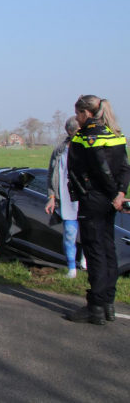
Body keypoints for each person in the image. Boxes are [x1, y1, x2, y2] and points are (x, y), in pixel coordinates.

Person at [65, 95, 130, 325]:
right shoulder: (116, 133)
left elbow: (99, 167)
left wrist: (113, 193)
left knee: (94, 252)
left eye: (78, 113)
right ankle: (107, 304)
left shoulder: (87, 135)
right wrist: (120, 194)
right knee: (108, 247)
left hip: (93, 198)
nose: (76, 118)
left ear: (87, 113)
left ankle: (95, 306)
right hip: (110, 200)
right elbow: (124, 167)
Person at [45, 116, 86, 278]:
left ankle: (86, 262)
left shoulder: (87, 149)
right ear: (70, 131)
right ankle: (71, 269)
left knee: (88, 234)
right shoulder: (59, 151)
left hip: (86, 199)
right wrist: (52, 196)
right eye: (78, 131)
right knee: (69, 234)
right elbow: (51, 175)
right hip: (67, 200)